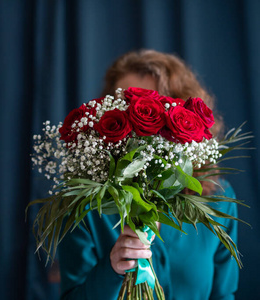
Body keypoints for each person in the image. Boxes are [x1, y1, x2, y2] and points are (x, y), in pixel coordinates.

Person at [58, 50, 239, 299]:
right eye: (126, 110)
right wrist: (111, 269)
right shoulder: (84, 205)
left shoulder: (218, 199)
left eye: (155, 113)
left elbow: (224, 294)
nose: (140, 130)